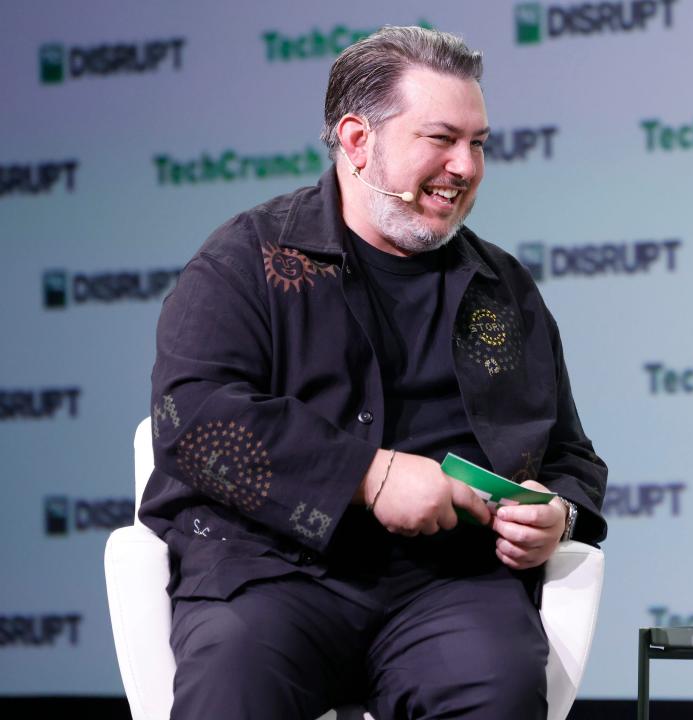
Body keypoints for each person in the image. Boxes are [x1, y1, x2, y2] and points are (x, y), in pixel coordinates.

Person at [141, 25, 607, 720]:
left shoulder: (502, 288)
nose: (467, 166)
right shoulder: (248, 259)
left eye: (478, 144)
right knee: (235, 672)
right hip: (272, 569)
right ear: (358, 141)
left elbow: (569, 453)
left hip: (447, 585)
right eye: (442, 139)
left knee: (498, 686)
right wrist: (369, 475)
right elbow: (192, 416)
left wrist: (558, 512)